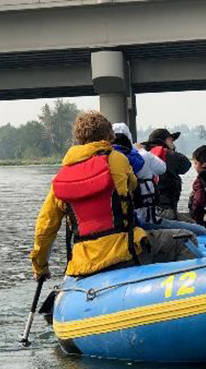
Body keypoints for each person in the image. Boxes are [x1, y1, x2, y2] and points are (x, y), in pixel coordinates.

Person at [29, 111, 197, 280]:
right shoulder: (118, 160)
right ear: (109, 135)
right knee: (186, 239)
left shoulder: (61, 177)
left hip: (83, 263)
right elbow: (132, 184)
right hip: (125, 252)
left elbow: (45, 228)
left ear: (78, 139)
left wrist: (40, 267)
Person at [112, 123, 206, 236]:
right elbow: (172, 166)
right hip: (149, 217)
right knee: (202, 231)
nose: (174, 144)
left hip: (122, 221)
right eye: (171, 141)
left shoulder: (106, 160)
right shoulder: (144, 156)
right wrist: (142, 150)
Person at [142, 128, 192, 222]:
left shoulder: (145, 156)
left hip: (150, 212)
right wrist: (172, 150)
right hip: (166, 211)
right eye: (171, 140)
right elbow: (186, 165)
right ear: (165, 140)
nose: (173, 144)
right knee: (200, 230)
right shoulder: (170, 155)